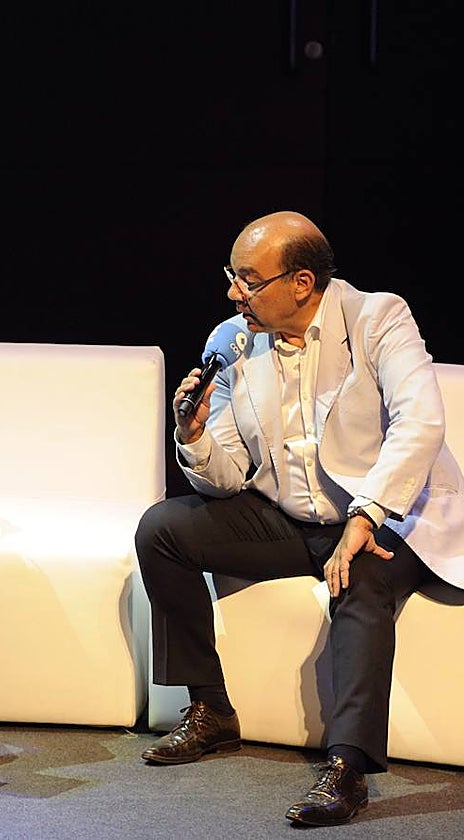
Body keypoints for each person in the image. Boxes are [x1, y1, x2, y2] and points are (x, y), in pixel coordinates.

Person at [135, 210, 464, 826]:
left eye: (248, 280)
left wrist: (366, 517)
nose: (234, 293)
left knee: (360, 575)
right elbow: (228, 475)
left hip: (390, 516)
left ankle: (348, 766)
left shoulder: (376, 319)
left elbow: (419, 422)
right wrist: (194, 435)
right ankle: (210, 708)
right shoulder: (232, 340)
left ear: (302, 282)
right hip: (289, 518)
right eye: (232, 276)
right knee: (164, 530)